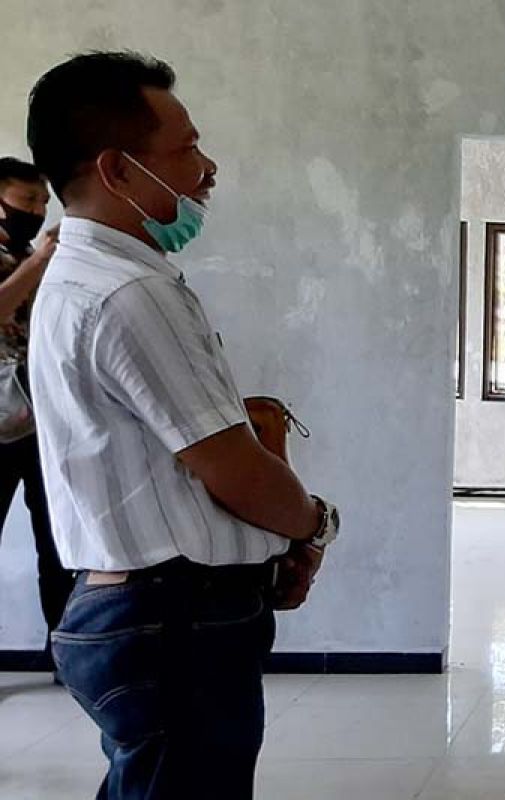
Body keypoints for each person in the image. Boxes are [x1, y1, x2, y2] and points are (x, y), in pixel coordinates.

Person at [26, 51, 340, 799]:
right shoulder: (129, 293)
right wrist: (314, 525)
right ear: (119, 170)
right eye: (187, 147)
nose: (206, 168)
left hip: (142, 609)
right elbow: (231, 467)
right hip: (172, 622)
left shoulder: (80, 278)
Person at [0, 156, 73, 671]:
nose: (38, 211)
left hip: (40, 417)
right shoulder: (29, 258)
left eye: (43, 202)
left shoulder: (27, 252)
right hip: (0, 421)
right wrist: (37, 264)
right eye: (27, 202)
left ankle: (68, 653)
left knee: (58, 535)